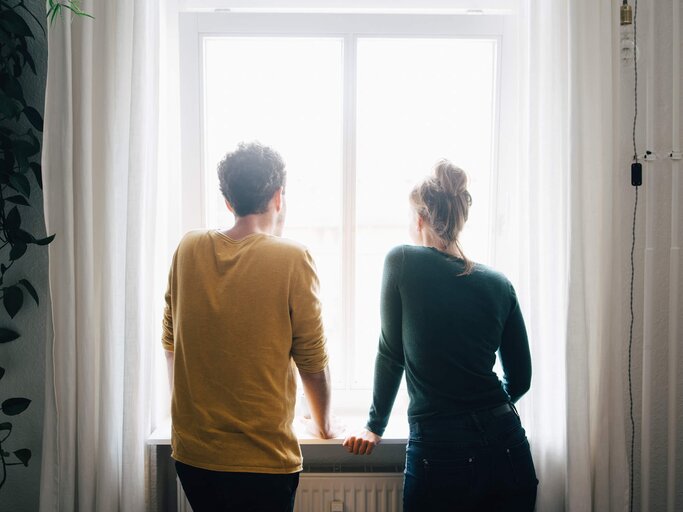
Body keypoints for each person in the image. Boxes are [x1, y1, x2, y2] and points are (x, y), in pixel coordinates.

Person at [343, 160, 538, 511]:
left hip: (441, 448)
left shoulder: (402, 260)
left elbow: (391, 353)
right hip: (507, 445)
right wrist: (481, 411)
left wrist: (374, 426)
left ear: (419, 220)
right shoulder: (499, 284)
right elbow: (520, 380)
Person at [162, 141, 338, 512]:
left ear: (229, 201)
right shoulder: (292, 257)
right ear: (279, 197)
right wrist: (324, 425)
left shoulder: (188, 247)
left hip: (193, 456)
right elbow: (312, 362)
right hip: (263, 460)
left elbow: (171, 339)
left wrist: (191, 410)